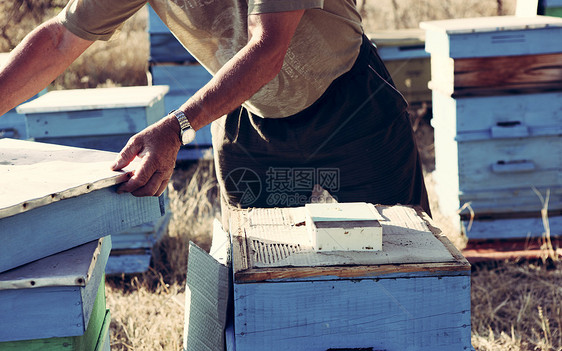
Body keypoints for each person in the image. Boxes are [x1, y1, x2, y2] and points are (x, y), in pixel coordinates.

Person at [0, 0, 430, 216]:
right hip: (246, 117)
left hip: (351, 107)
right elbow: (61, 38)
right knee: (260, 274)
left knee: (404, 256)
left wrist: (176, 126)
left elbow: (267, 49)